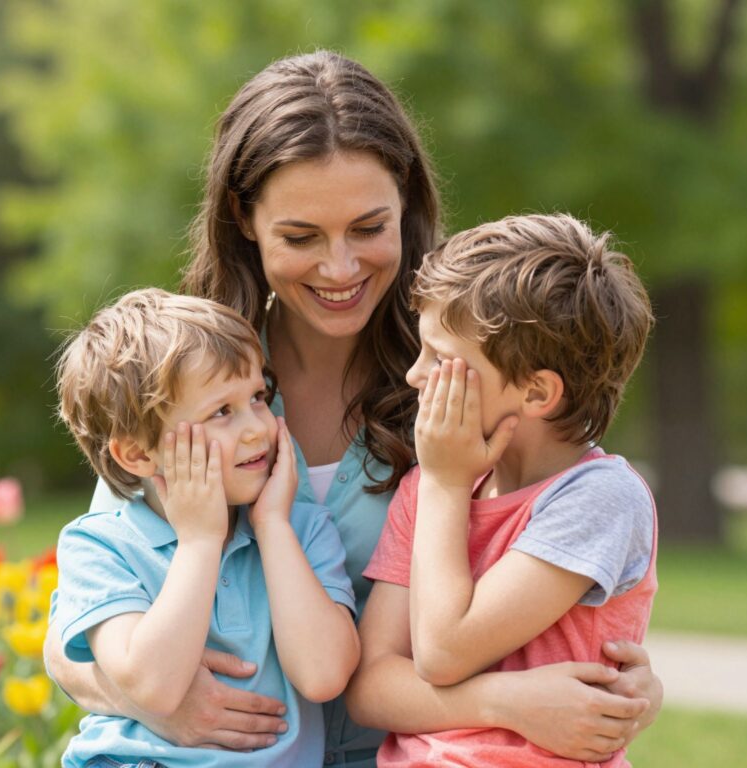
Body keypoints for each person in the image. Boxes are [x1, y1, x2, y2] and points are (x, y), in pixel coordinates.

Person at [45, 51, 663, 767]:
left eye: (368, 228)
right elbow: (75, 635)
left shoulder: (459, 383)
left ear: (406, 204)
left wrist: (623, 687)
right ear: (245, 220)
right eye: (301, 237)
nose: (339, 269)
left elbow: (549, 560)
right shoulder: (187, 379)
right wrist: (150, 699)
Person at [348, 214, 657, 767]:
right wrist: (508, 702)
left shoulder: (600, 498)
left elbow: (442, 653)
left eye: (441, 359)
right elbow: (371, 688)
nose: (416, 375)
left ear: (536, 392)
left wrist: (445, 483)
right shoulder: (430, 486)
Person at [54, 288, 360, 768]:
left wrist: (274, 526)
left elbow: (324, 676)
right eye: (222, 412)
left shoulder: (301, 530)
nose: (259, 427)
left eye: (259, 397)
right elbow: (154, 687)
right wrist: (200, 542)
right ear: (137, 453)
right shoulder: (100, 546)